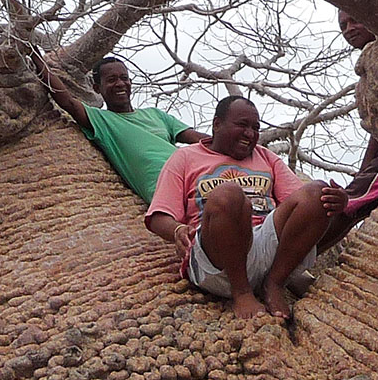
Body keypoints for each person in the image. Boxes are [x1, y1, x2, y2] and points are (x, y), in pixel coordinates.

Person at [145, 96, 349, 319]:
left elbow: (302, 202)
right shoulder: (185, 157)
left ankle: (274, 284)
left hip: (266, 247)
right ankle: (241, 292)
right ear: (217, 124)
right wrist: (177, 230)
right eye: (242, 125)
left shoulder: (266, 157)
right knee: (228, 194)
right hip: (217, 258)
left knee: (318, 191)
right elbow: (159, 215)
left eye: (255, 128)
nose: (250, 134)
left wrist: (336, 201)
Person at [34, 53, 209, 202]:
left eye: (124, 78)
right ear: (97, 88)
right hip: (170, 192)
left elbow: (197, 138)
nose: (120, 84)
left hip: (199, 176)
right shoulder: (101, 120)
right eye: (111, 80)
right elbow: (68, 102)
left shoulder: (156, 114)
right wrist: (35, 57)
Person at [317, 11, 378, 251]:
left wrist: (364, 175)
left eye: (355, 20)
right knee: (351, 205)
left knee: (348, 204)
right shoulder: (371, 67)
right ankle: (302, 259)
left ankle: (296, 259)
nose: (348, 29)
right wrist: (364, 172)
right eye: (343, 25)